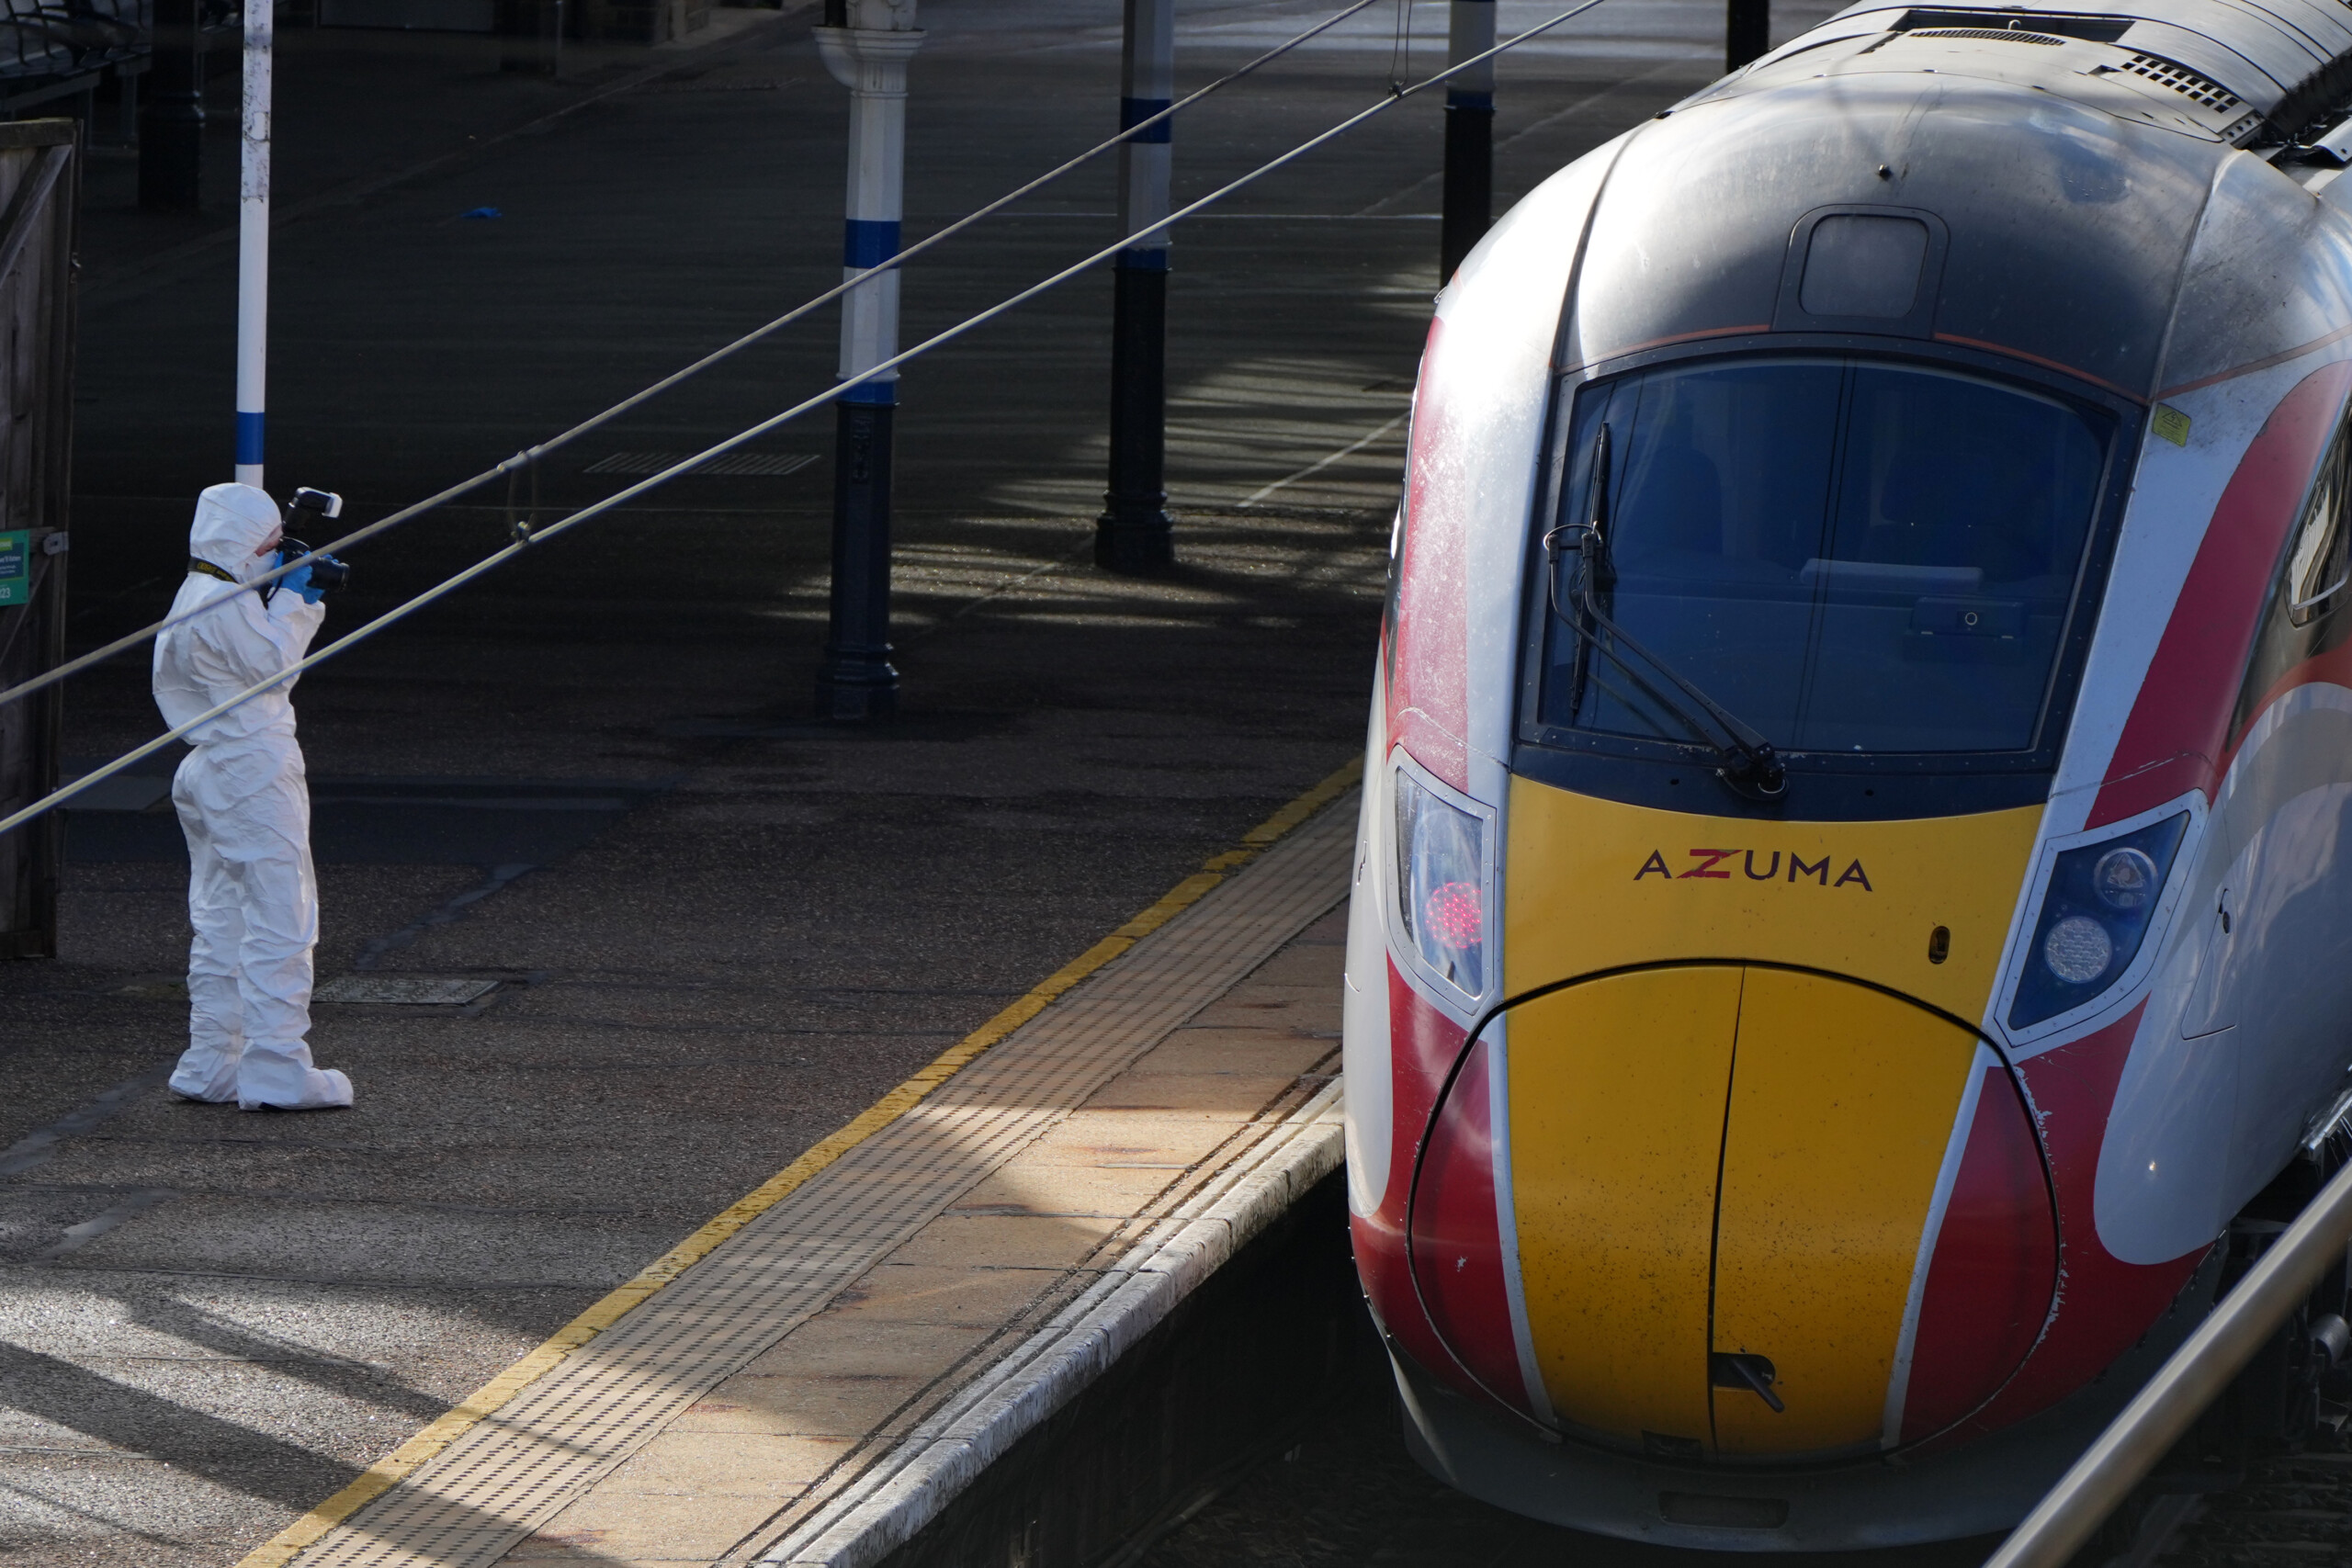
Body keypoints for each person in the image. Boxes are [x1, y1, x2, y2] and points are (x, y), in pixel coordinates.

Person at [152, 482, 352, 1111]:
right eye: (269, 543)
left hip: (205, 769)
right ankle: (277, 1071)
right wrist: (298, 596)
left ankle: (211, 1061)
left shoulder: (199, 591)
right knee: (281, 917)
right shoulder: (222, 602)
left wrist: (280, 590)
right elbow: (272, 666)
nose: (274, 552)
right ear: (243, 543)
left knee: (220, 917)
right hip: (250, 769)